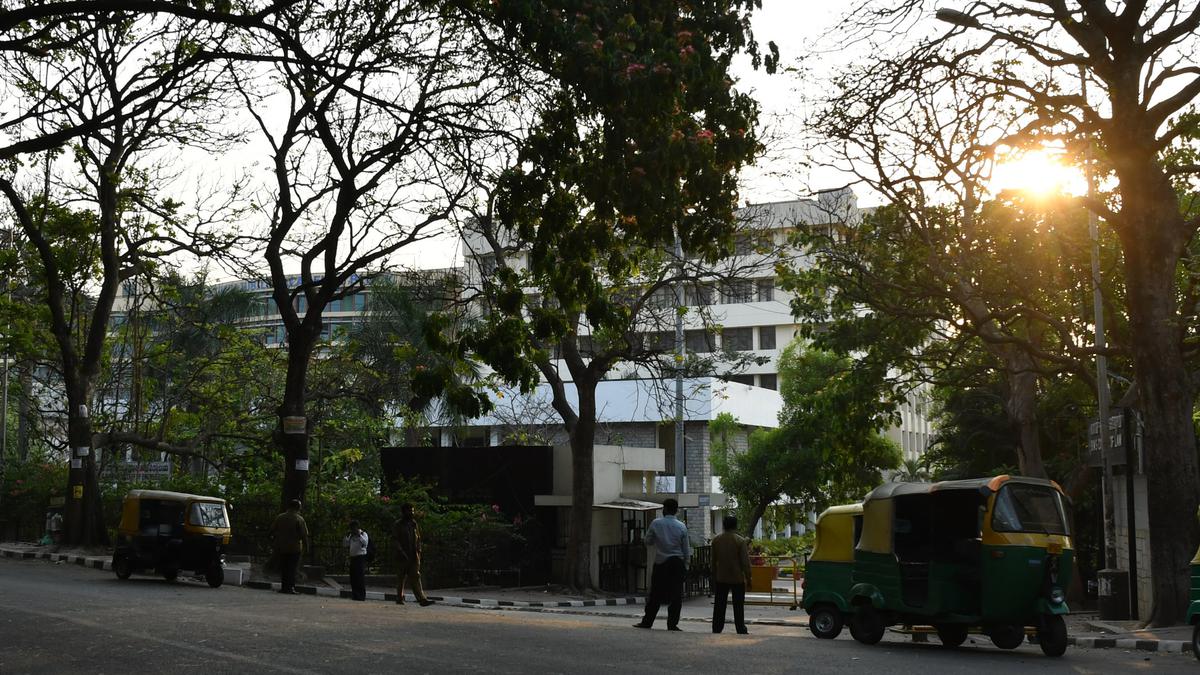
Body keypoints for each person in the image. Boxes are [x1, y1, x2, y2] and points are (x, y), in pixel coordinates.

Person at [634, 498, 690, 631]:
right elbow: (686, 549)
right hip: (677, 562)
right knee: (676, 595)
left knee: (655, 594)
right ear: (676, 510)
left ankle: (647, 621)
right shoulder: (681, 526)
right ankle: (672, 624)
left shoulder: (656, 523)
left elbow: (648, 541)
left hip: (661, 562)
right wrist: (686, 566)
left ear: (664, 509)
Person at [710, 514, 752, 634]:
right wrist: (749, 578)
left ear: (724, 525)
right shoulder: (740, 540)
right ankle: (740, 627)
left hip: (721, 577)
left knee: (719, 604)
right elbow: (745, 562)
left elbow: (713, 561)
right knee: (738, 604)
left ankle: (717, 627)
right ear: (735, 526)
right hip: (737, 577)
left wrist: (713, 576)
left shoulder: (716, 540)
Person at [392, 503, 433, 607]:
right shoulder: (398, 524)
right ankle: (399, 597)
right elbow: (395, 539)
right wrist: (400, 551)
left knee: (415, 576)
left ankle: (422, 599)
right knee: (401, 578)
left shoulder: (414, 524)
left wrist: (419, 550)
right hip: (402, 555)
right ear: (403, 512)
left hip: (413, 555)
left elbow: (418, 538)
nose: (411, 513)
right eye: (409, 511)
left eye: (412, 510)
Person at [272, 499, 309, 594]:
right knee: (292, 568)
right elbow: (304, 535)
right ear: (297, 507)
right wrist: (306, 547)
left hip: (282, 546)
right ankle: (291, 587)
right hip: (295, 547)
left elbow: (272, 531)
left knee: (284, 568)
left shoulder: (280, 517)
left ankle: (284, 587)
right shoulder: (299, 519)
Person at [344, 520, 369, 601]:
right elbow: (345, 544)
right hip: (353, 558)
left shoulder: (363, 534)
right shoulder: (351, 535)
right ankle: (355, 595)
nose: (352, 530)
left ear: (357, 527)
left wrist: (359, 535)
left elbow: (365, 543)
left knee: (360, 577)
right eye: (351, 528)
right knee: (353, 577)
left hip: (360, 558)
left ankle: (361, 596)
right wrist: (347, 537)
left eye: (354, 528)